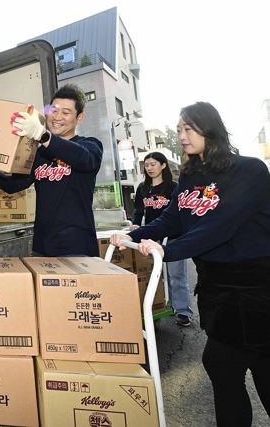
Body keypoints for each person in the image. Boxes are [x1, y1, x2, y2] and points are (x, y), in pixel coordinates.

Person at [111, 102, 270, 427]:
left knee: (232, 364)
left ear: (209, 128)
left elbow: (219, 226)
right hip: (216, 288)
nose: (181, 136)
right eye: (179, 129)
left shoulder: (250, 170)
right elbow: (173, 220)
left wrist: (167, 252)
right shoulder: (191, 176)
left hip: (255, 287)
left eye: (188, 129)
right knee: (232, 368)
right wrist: (135, 234)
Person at [0, 84, 103, 256]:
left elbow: (83, 158)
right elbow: (15, 184)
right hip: (42, 246)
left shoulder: (90, 146)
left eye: (66, 112)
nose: (57, 117)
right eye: (54, 110)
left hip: (76, 246)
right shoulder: (40, 153)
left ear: (80, 117)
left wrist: (42, 135)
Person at [130, 151, 194, 327]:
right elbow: (139, 212)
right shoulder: (143, 188)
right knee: (153, 275)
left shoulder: (174, 187)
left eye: (153, 164)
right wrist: (135, 225)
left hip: (173, 237)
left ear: (163, 165)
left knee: (176, 275)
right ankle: (157, 307)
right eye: (147, 165)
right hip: (151, 238)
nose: (149, 168)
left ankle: (182, 311)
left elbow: (179, 214)